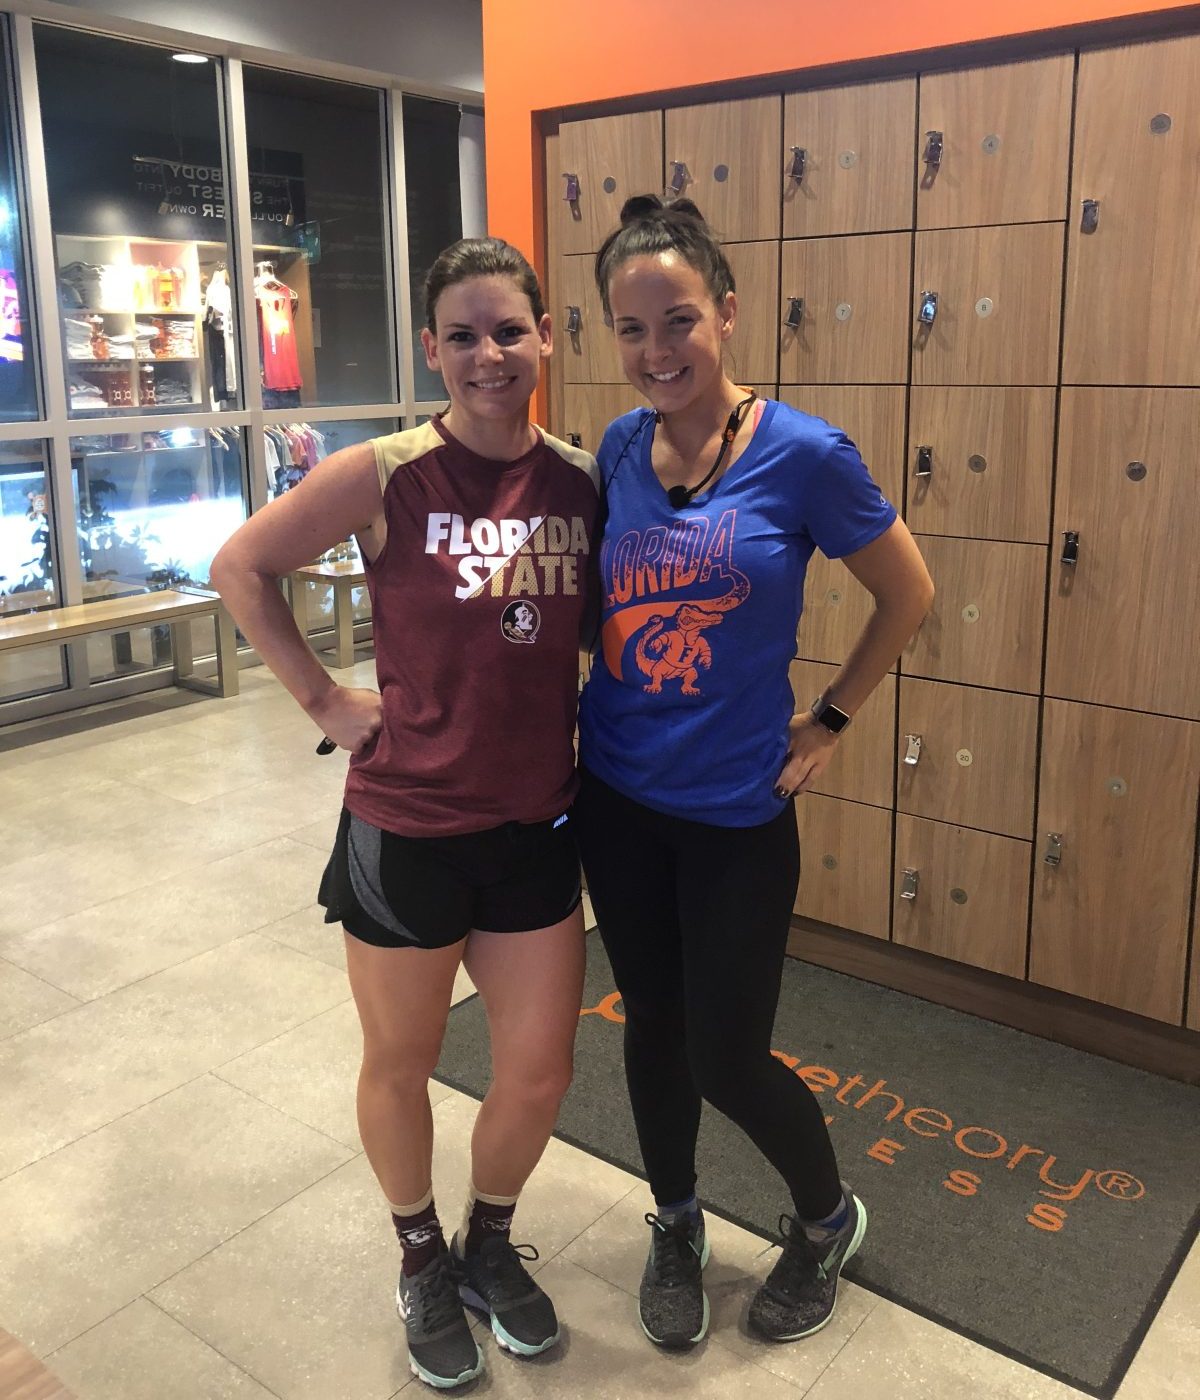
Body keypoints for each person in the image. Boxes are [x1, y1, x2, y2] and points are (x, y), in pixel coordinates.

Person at [211, 238, 600, 1391]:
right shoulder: (385, 472)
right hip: (407, 824)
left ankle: (488, 1239)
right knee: (404, 1055)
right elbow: (242, 564)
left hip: (536, 823)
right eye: (464, 334)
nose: (490, 353)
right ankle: (420, 1253)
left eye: (510, 329)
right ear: (432, 348)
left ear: (544, 337)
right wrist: (325, 694)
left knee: (538, 1071)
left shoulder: (582, 480)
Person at [574, 195, 935, 1350]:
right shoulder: (622, 447)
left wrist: (826, 719)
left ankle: (827, 1218)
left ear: (727, 313)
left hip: (735, 808)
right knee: (648, 1022)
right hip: (619, 795)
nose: (656, 351)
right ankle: (676, 1220)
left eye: (678, 319)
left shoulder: (806, 454)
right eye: (631, 330)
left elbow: (907, 591)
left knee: (725, 1047)